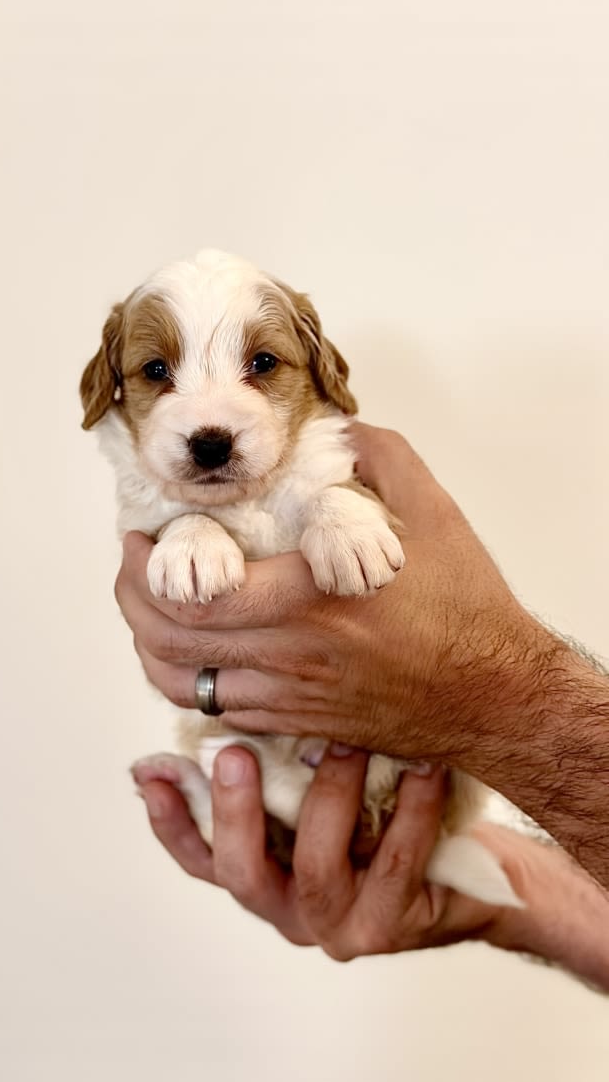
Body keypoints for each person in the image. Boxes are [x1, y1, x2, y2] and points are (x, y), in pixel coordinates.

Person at [116, 423, 609, 988]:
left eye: (262, 364)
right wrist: (530, 890)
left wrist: (492, 692)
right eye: (158, 374)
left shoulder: (319, 465)